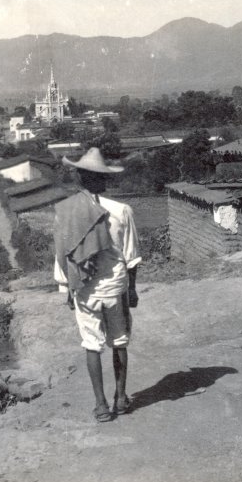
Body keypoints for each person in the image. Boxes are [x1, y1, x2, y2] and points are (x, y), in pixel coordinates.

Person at [53, 147, 141, 423]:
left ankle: (101, 405)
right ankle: (121, 397)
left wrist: (67, 288)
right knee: (119, 342)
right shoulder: (122, 210)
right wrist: (132, 289)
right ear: (104, 179)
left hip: (85, 287)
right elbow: (131, 257)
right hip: (115, 287)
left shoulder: (66, 212)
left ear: (79, 179)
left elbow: (62, 254)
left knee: (92, 345)